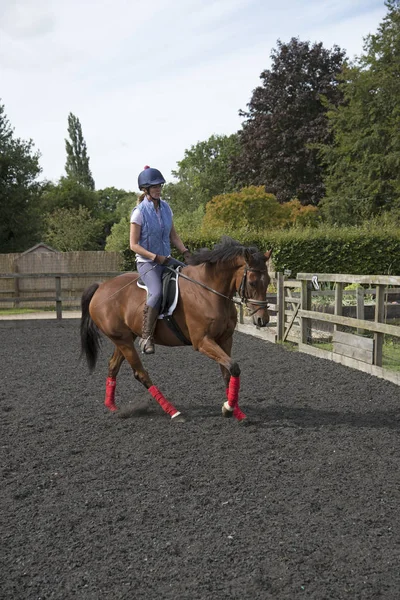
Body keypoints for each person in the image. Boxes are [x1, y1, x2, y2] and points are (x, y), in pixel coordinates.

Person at [130, 166, 191, 354]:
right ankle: (147, 336)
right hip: (147, 263)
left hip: (167, 259)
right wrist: (155, 257)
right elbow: (133, 245)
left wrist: (185, 251)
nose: (158, 189)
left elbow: (173, 236)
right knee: (156, 293)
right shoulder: (139, 213)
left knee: (191, 278)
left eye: (160, 186)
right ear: (145, 190)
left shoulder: (166, 208)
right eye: (154, 187)